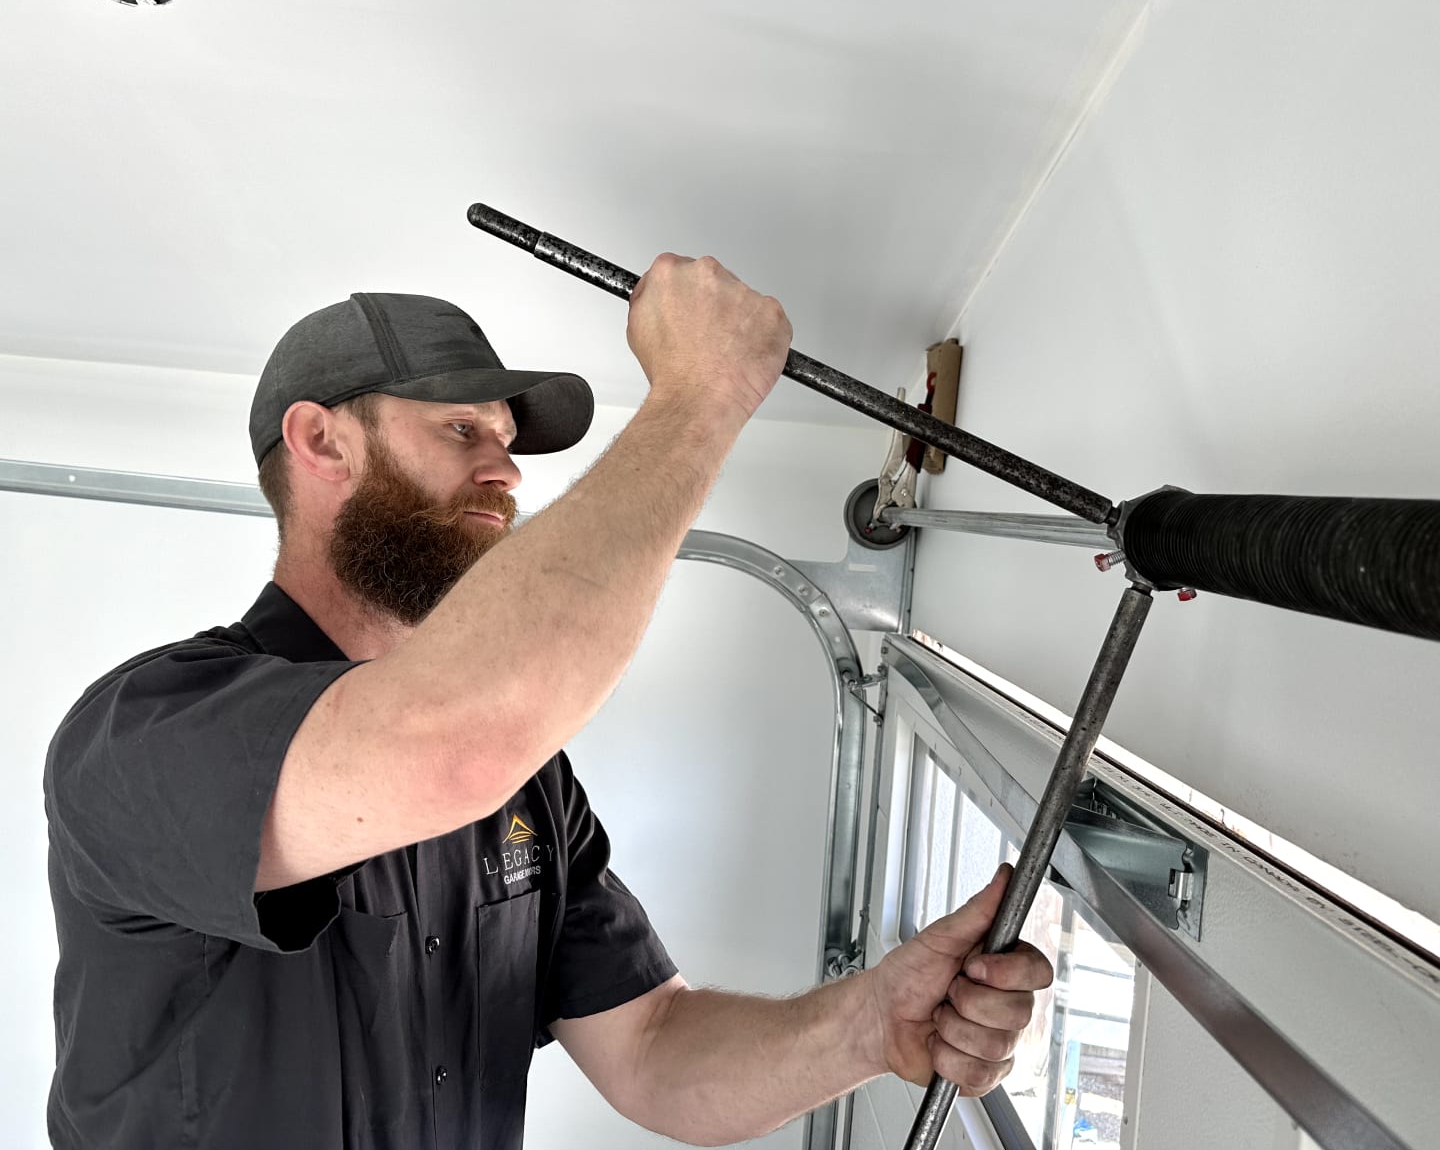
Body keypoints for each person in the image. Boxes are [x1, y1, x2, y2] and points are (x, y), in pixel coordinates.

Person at [44, 255, 1053, 1150]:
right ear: (322, 441)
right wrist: (700, 394)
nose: (508, 468)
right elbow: (451, 738)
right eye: (461, 428)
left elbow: (652, 1049)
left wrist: (869, 1026)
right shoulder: (142, 734)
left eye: (507, 437)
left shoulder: (528, 788)